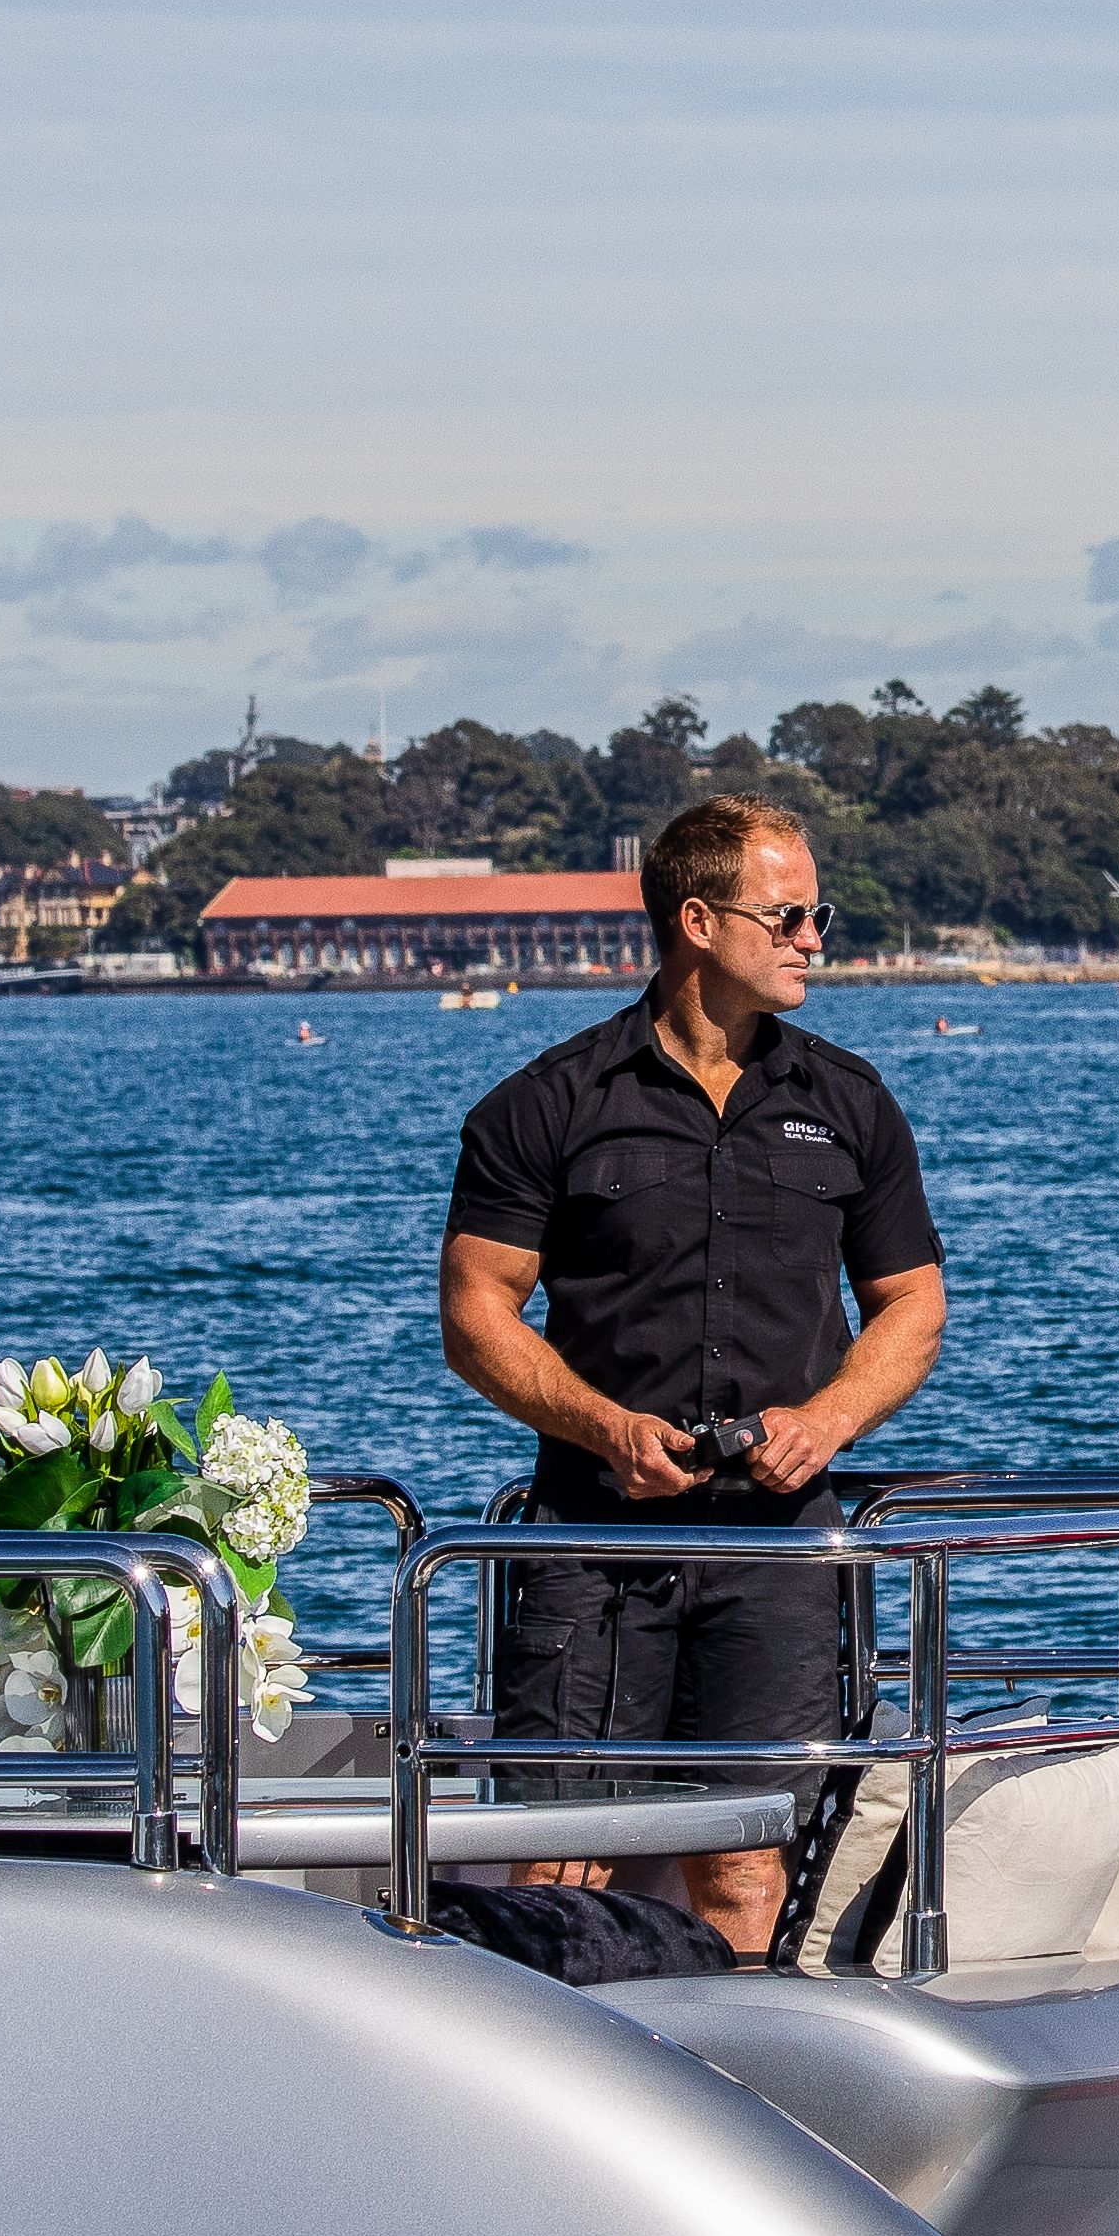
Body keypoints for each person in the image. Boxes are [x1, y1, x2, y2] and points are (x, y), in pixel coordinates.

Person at [439, 795, 947, 1956]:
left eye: (818, 915)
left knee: (746, 1856)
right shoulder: (547, 1103)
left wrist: (826, 1421)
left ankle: (736, 2053)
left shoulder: (851, 1103)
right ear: (699, 921)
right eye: (789, 915)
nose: (814, 938)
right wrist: (607, 1427)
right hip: (591, 1541)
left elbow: (913, 1305)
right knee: (563, 1857)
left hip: (776, 1547)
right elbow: (474, 1316)